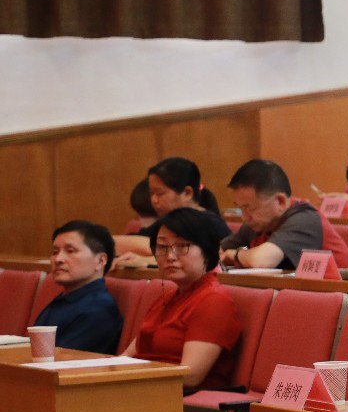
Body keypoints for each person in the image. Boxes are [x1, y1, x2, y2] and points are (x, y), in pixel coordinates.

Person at [131, 208, 242, 391]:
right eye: (162, 247)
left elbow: (190, 375)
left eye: (182, 246)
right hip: (144, 389)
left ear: (207, 251)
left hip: (182, 398)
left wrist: (129, 378)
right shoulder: (167, 298)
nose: (170, 256)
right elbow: (126, 358)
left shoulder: (213, 301)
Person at [220, 159, 348, 271]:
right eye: (240, 208)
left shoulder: (304, 219)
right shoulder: (258, 222)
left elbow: (260, 260)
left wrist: (236, 255)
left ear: (280, 201)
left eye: (249, 207)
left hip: (340, 293)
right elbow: (218, 252)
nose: (244, 217)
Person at [112, 157, 231, 261]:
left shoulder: (207, 222)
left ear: (187, 193)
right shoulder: (169, 220)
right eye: (151, 193)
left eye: (160, 193)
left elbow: (151, 247)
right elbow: (140, 239)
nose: (153, 200)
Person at [34, 221, 122, 354]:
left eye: (70, 251)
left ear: (100, 261)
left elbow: (62, 360)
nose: (58, 259)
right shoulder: (65, 299)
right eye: (55, 252)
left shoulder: (98, 309)